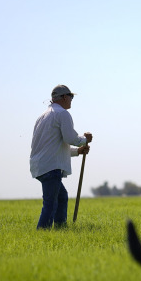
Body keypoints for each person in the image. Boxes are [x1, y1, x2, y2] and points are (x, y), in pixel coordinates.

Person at [29, 85, 93, 229]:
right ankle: (43, 233)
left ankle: (61, 229)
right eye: (71, 97)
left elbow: (56, 147)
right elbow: (70, 138)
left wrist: (78, 151)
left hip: (42, 164)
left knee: (62, 197)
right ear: (64, 97)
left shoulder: (43, 116)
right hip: (51, 166)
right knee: (51, 203)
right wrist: (85, 139)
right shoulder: (62, 114)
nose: (71, 100)